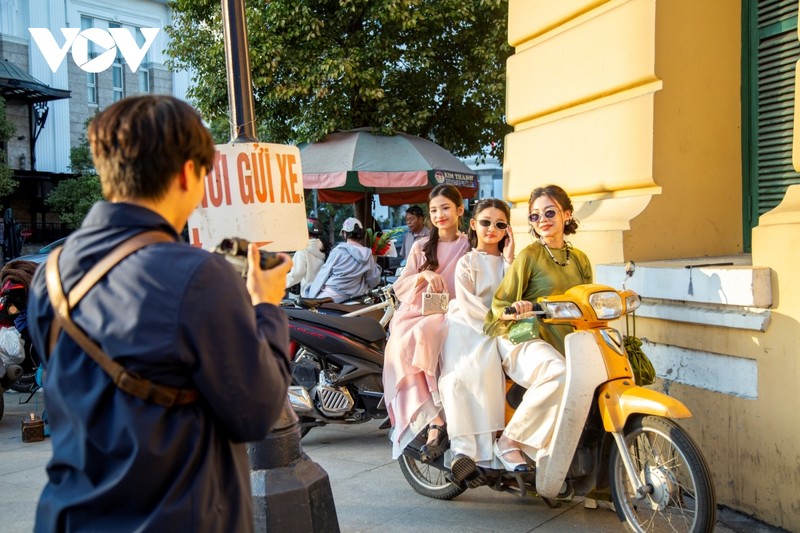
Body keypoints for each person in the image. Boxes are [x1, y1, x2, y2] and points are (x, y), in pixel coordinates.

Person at [25, 95, 294, 533]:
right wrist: (266, 305)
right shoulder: (197, 276)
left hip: (69, 516)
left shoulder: (50, 274)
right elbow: (255, 412)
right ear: (189, 171)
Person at [484, 185, 592, 472]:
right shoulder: (530, 255)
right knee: (559, 373)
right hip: (523, 336)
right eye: (534, 216)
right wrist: (517, 308)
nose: (542, 220)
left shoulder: (580, 258)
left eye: (549, 212)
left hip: (566, 339)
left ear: (566, 214)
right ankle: (510, 441)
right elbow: (499, 305)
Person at [382, 184, 471, 460]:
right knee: (402, 342)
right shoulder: (422, 246)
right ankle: (434, 418)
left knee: (426, 333)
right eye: (434, 210)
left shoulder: (470, 244)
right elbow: (401, 284)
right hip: (420, 311)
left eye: (445, 208)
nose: (439, 214)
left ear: (459, 209)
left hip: (458, 312)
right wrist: (424, 276)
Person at [438, 199, 514, 480]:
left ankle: (485, 452)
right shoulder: (466, 262)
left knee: (489, 368)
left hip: (501, 325)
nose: (492, 228)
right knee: (462, 375)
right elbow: (469, 302)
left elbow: (515, 291)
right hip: (469, 323)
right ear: (473, 224)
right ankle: (463, 449)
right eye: (485, 222)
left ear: (508, 229)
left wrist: (510, 257)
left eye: (500, 224)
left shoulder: (511, 264)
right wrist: (495, 324)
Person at [304, 217, 382, 302]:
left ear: (344, 234)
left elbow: (324, 274)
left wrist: (312, 294)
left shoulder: (338, 251)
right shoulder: (368, 255)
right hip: (354, 298)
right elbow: (374, 281)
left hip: (331, 295)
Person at [285, 217, 329, 295]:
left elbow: (296, 275)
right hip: (324, 293)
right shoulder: (325, 247)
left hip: (308, 295)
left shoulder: (303, 250)